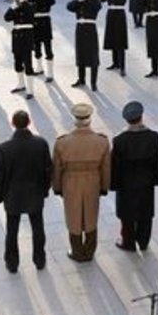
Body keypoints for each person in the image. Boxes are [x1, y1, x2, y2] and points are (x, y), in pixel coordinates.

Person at [0, 110, 52, 273]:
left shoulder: (4, 148)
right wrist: (45, 190)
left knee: (12, 229)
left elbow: (0, 175)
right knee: (38, 227)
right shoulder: (41, 144)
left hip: (13, 195)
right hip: (35, 193)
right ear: (29, 122)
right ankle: (39, 259)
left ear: (12, 123)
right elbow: (48, 170)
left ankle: (12, 263)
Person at [52, 103, 111, 262]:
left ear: (74, 119)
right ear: (90, 119)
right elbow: (105, 168)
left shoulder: (62, 142)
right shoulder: (102, 141)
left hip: (70, 183)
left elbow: (57, 169)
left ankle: (77, 251)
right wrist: (104, 186)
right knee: (91, 216)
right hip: (93, 182)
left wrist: (57, 187)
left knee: (73, 216)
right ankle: (89, 251)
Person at [110, 101, 158, 252]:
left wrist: (114, 185)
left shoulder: (120, 140)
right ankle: (143, 241)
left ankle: (128, 242)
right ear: (141, 117)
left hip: (126, 185)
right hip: (146, 183)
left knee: (126, 215)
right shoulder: (153, 137)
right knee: (145, 213)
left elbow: (115, 167)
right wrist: (157, 179)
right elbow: (157, 161)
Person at [67, 0, 102, 91]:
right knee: (80, 54)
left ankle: (93, 82)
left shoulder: (93, 1)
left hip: (90, 29)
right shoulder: (79, 1)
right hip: (80, 30)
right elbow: (69, 7)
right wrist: (78, 0)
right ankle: (81, 79)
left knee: (93, 56)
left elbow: (98, 6)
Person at [3, 0, 36, 100]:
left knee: (28, 62)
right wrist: (13, 6)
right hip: (17, 36)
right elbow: (6, 18)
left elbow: (31, 13)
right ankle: (21, 84)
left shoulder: (31, 5)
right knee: (17, 61)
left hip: (27, 36)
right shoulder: (15, 6)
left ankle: (30, 89)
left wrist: (24, 2)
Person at [100, 0, 130, 75]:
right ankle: (115, 63)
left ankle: (122, 66)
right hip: (111, 14)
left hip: (120, 14)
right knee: (112, 39)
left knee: (120, 41)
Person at [29, 0, 56, 82]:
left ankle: (50, 73)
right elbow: (27, 4)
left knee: (48, 46)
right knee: (37, 47)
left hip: (45, 22)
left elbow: (52, 2)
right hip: (35, 23)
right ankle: (39, 67)